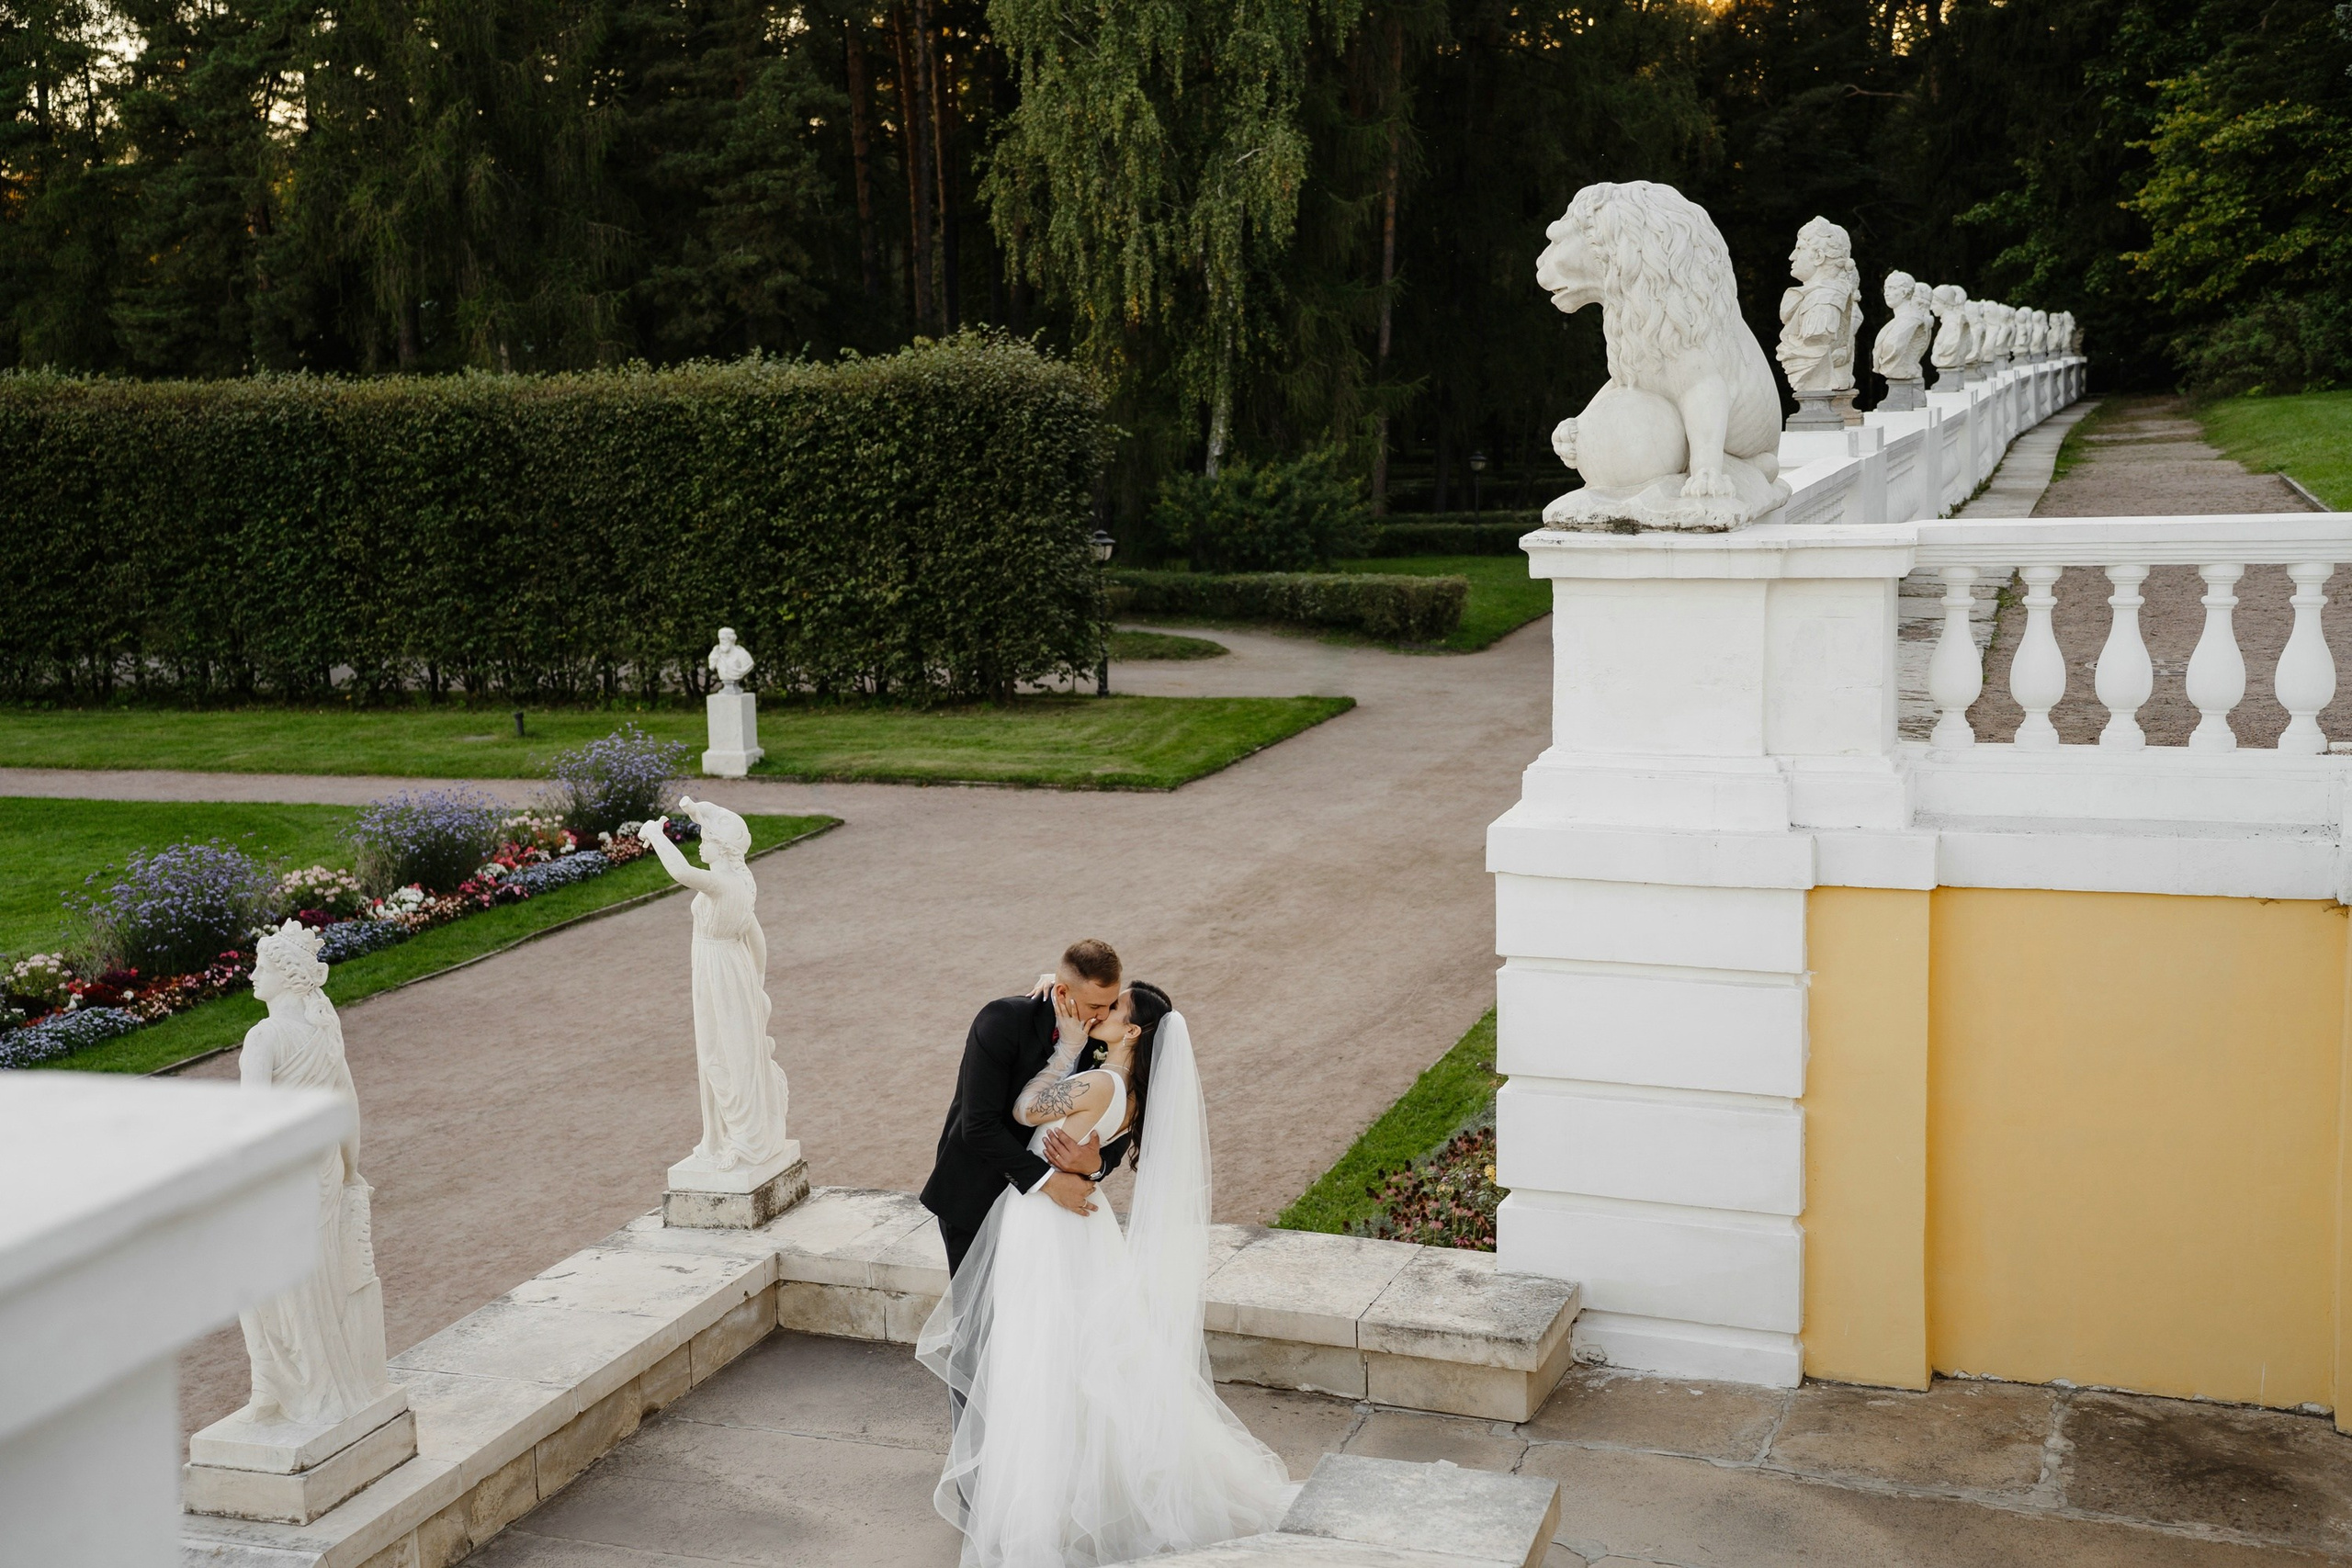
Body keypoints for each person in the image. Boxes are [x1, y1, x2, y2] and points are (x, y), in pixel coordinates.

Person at [917, 967, 1293, 1567]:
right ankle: (1052, 1490)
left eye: (1113, 1008)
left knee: (1030, 1355)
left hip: (1043, 1225)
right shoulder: (1126, 1087)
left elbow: (1025, 1107)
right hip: (1058, 1221)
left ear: (1135, 1031)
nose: (1100, 1016)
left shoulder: (1097, 1074)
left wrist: (1068, 1051)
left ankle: (1024, 1503)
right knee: (1073, 1357)